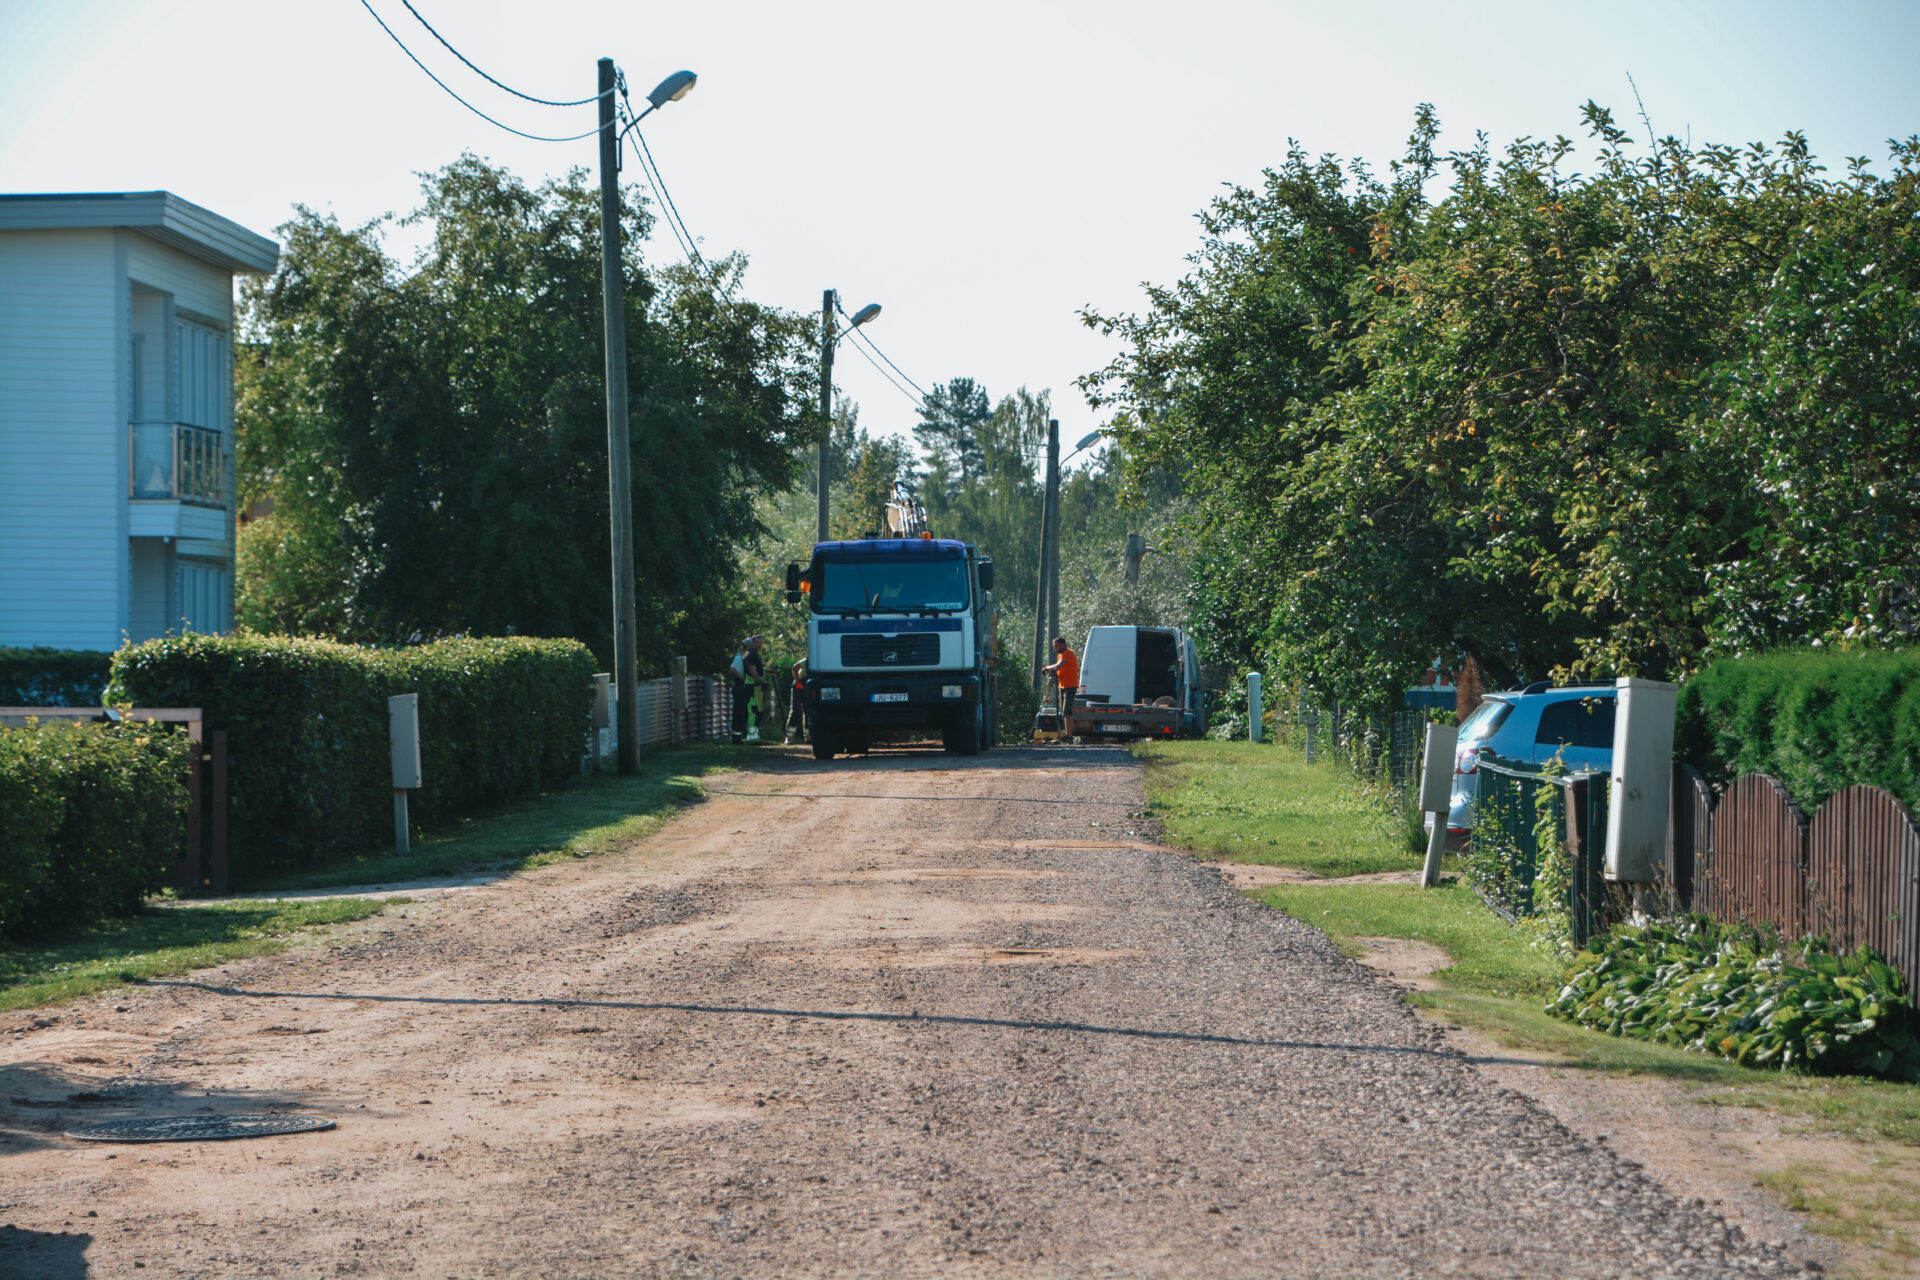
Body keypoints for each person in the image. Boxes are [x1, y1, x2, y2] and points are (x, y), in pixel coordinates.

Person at [1042, 635, 1080, 716]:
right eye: (1054, 647)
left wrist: (1046, 668)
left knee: (1067, 712)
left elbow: (1057, 666)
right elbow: (1059, 669)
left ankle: (1069, 729)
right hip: (1062, 686)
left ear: (1063, 645)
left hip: (1070, 686)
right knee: (1064, 713)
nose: (1055, 648)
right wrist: (1054, 673)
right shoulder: (1060, 655)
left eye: (1056, 646)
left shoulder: (1068, 653)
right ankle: (1066, 729)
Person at [784, 657, 808, 744]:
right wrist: (798, 682)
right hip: (800, 685)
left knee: (809, 711)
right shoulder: (806, 660)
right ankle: (789, 737)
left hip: (808, 686)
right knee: (796, 710)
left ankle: (808, 737)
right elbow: (795, 667)